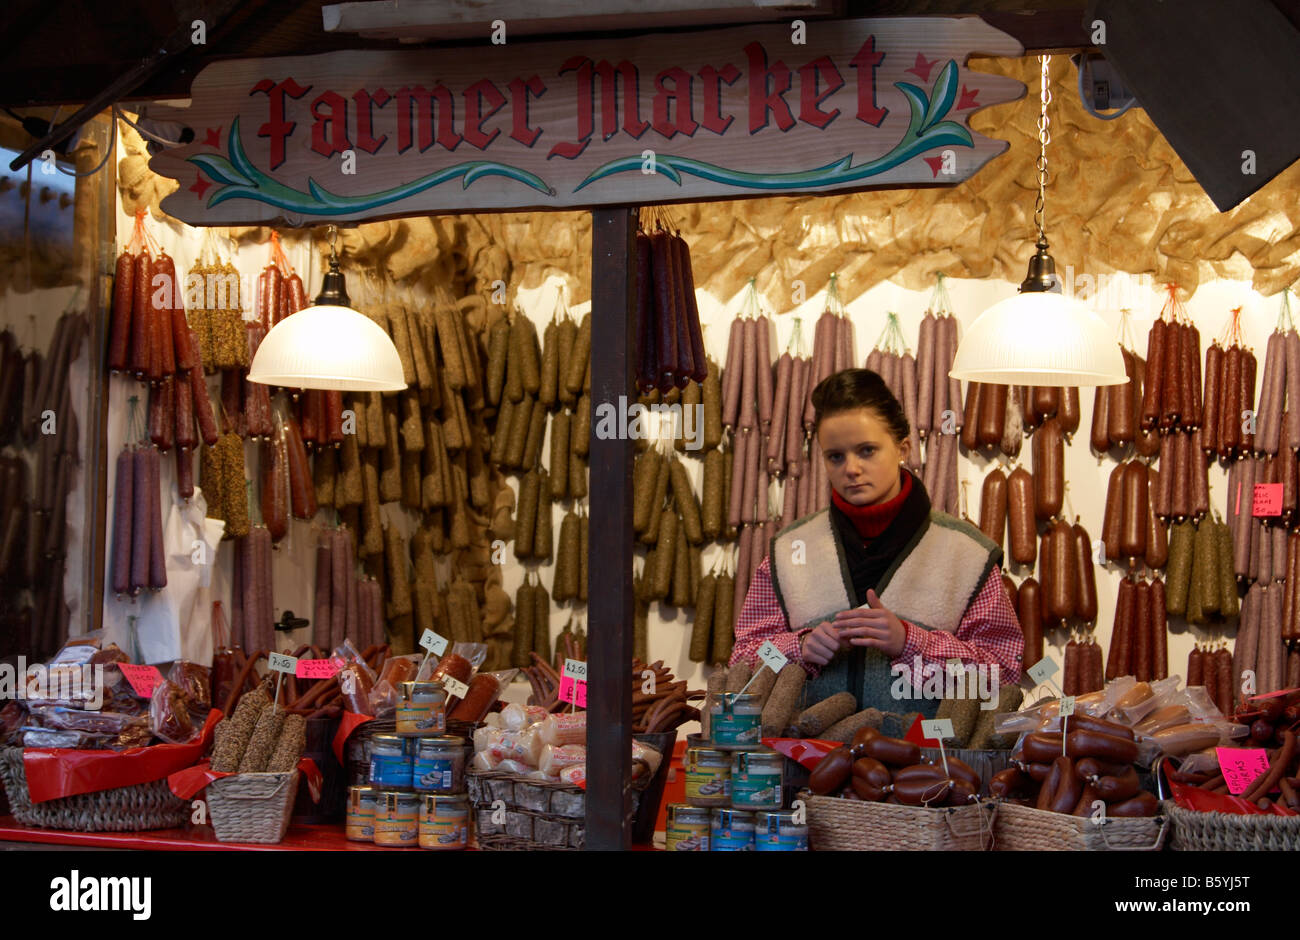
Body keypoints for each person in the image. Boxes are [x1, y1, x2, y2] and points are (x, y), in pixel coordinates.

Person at [730, 368, 1023, 717]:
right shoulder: (789, 552)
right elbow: (744, 660)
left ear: (902, 449)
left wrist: (912, 644)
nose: (851, 468)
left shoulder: (967, 554)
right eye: (835, 456)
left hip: (925, 766)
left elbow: (1002, 676)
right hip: (809, 763)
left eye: (867, 450)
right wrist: (798, 647)